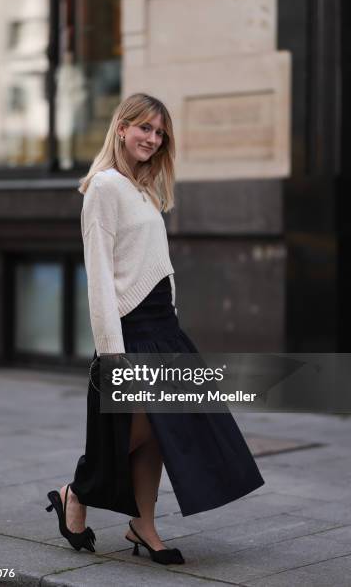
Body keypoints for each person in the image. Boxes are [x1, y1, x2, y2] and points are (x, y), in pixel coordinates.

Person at [46, 93, 265, 565]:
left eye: (159, 132)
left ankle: (142, 526)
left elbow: (155, 265)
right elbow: (100, 275)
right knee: (143, 425)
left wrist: (174, 322)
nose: (152, 138)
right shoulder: (103, 187)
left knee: (163, 432)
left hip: (163, 325)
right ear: (121, 128)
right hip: (132, 329)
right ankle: (75, 492)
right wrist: (111, 351)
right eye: (144, 127)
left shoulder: (144, 190)